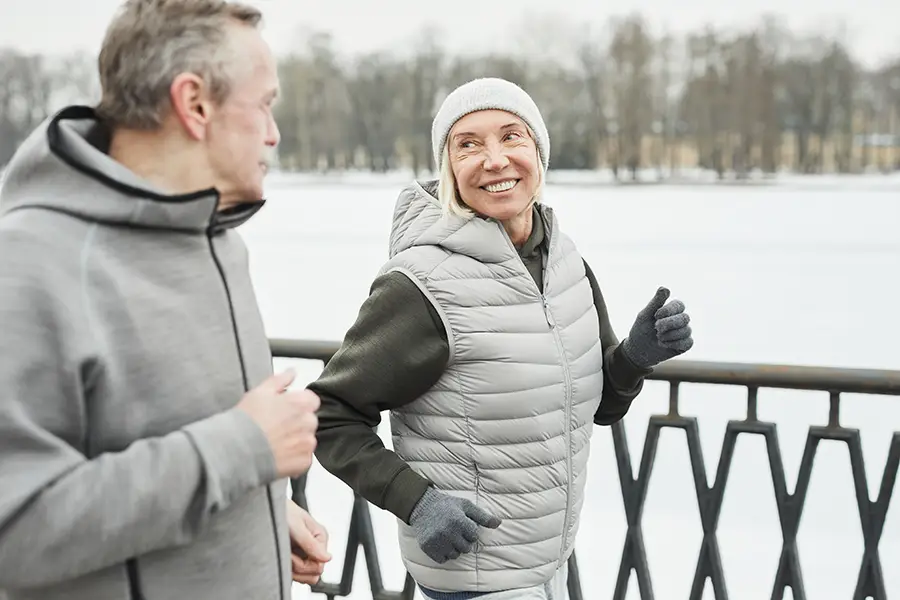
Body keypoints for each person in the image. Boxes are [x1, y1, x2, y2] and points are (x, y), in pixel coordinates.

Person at [310, 77, 694, 599]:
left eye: (512, 137)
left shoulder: (565, 262)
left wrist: (633, 358)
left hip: (548, 566)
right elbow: (329, 416)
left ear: (539, 153)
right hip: (473, 579)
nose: (494, 160)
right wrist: (417, 503)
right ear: (448, 169)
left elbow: (598, 407)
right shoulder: (422, 284)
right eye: (468, 144)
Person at [0, 1, 330, 599]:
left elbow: (199, 456)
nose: (274, 133)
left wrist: (258, 517)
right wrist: (242, 451)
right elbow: (13, 530)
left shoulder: (221, 240)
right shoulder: (28, 263)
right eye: (265, 104)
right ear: (195, 103)